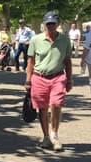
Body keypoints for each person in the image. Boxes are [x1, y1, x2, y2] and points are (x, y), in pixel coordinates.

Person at [25, 11, 72, 151]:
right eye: (48, 23)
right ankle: (46, 137)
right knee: (43, 108)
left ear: (58, 24)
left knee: (56, 104)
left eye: (53, 23)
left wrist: (69, 80)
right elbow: (30, 62)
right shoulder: (36, 40)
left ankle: (55, 135)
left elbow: (67, 61)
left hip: (58, 76)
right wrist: (28, 80)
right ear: (44, 24)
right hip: (39, 77)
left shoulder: (64, 40)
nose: (50, 26)